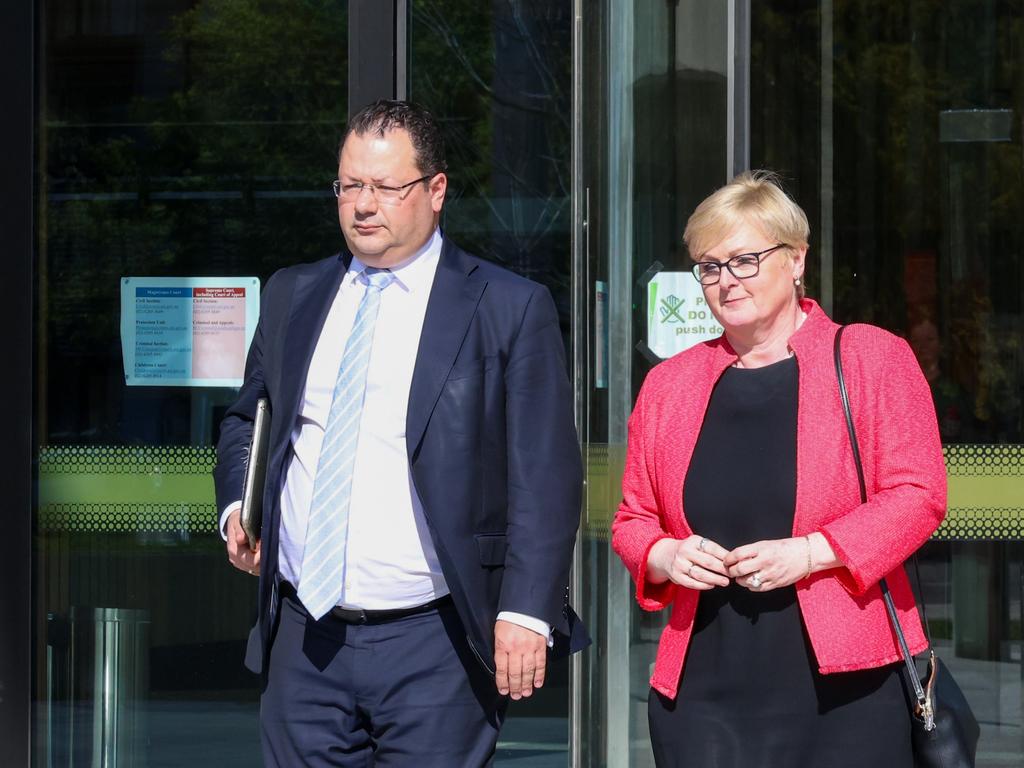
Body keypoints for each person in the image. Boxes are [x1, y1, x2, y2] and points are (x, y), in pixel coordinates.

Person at [214, 99, 585, 767]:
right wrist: (240, 507)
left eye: (385, 187)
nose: (362, 204)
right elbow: (251, 418)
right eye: (350, 185)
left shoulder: (505, 307)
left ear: (435, 190)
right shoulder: (294, 294)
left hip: (435, 643)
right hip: (304, 636)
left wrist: (526, 611)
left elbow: (545, 474)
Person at [611, 170, 947, 766]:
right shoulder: (669, 385)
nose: (725, 281)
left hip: (846, 687)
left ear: (796, 260)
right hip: (702, 691)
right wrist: (664, 556)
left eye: (744, 259)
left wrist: (814, 552)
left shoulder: (871, 358)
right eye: (709, 267)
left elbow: (919, 494)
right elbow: (633, 518)